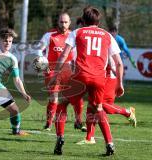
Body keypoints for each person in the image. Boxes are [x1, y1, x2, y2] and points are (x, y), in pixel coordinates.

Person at [52, 6, 124, 156]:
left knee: (62, 103)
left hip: (81, 76)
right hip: (99, 78)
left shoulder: (78, 32)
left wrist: (55, 76)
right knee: (98, 109)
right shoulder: (107, 35)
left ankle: (60, 138)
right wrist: (120, 83)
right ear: (98, 21)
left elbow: (64, 55)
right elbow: (118, 63)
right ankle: (109, 143)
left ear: (83, 20)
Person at [38, 12, 85, 132]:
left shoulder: (73, 35)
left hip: (69, 71)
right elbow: (38, 50)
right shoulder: (49, 35)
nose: (63, 24)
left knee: (77, 97)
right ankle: (49, 124)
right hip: (52, 71)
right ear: (57, 22)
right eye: (61, 22)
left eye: (65, 22)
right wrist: (44, 65)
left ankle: (79, 121)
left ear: (69, 23)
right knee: (54, 98)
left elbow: (76, 54)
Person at [77, 55, 137, 145]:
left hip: (108, 78)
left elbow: (116, 62)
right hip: (98, 76)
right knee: (92, 105)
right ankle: (89, 138)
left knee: (99, 105)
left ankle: (127, 112)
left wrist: (119, 81)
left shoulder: (109, 41)